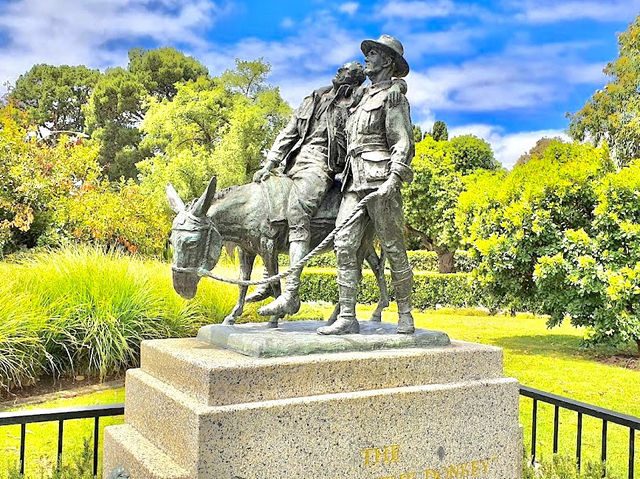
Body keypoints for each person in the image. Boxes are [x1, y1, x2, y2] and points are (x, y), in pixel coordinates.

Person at [318, 35, 415, 335]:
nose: (366, 58)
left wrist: (394, 179)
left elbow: (402, 142)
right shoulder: (361, 99)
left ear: (387, 61)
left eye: (372, 54)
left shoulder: (394, 98)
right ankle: (347, 317)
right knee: (344, 245)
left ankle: (406, 315)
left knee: (393, 248)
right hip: (352, 181)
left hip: (379, 181)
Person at [253, 62, 367, 317]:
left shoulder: (357, 102)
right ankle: (268, 282)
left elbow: (386, 93)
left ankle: (291, 294)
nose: (339, 72)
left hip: (321, 165)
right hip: (293, 163)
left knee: (297, 214)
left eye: (345, 72)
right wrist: (270, 163)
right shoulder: (316, 96)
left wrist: (399, 84)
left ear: (355, 81)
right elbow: (290, 131)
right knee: (267, 211)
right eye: (339, 70)